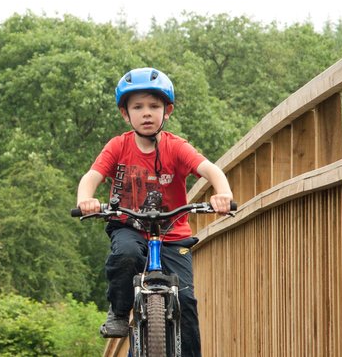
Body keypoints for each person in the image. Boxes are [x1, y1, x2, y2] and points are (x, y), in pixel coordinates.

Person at [75, 67, 233, 356]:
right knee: (125, 255)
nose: (146, 113)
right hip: (128, 226)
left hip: (173, 234)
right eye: (138, 107)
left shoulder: (176, 147)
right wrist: (86, 198)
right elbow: (91, 176)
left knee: (185, 300)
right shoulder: (118, 146)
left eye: (154, 106)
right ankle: (120, 312)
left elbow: (209, 169)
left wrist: (223, 193)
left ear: (167, 110)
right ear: (125, 114)